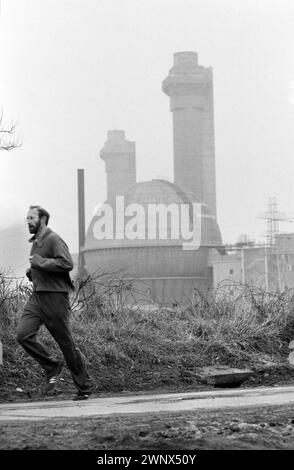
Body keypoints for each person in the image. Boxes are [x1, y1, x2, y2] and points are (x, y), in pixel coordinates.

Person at [16, 205, 95, 400]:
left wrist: (40, 263)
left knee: (66, 344)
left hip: (55, 298)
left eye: (31, 218)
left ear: (43, 219)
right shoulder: (36, 242)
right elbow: (41, 264)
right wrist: (32, 272)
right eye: (27, 218)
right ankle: (52, 367)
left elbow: (66, 263)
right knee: (23, 335)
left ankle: (84, 386)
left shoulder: (53, 239)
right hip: (38, 297)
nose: (28, 221)